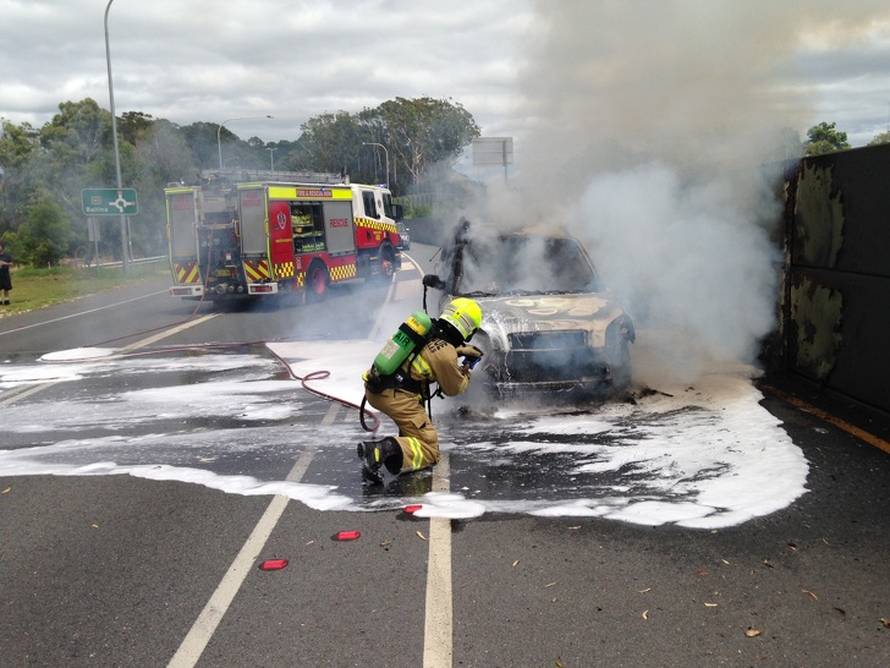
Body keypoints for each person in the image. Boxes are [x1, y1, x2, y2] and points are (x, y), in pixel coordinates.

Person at [358, 297, 484, 483]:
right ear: (468, 329)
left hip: (377, 386)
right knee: (430, 449)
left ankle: (396, 453)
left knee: (416, 431)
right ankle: (379, 451)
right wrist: (466, 370)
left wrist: (459, 350)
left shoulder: (427, 329)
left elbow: (429, 351)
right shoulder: (445, 353)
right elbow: (453, 388)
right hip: (398, 398)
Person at [0, 241, 12, 306]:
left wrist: (5, 263)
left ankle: (6, 300)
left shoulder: (7, 255)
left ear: (2, 247)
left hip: (5, 274)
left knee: (6, 288)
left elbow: (11, 264)